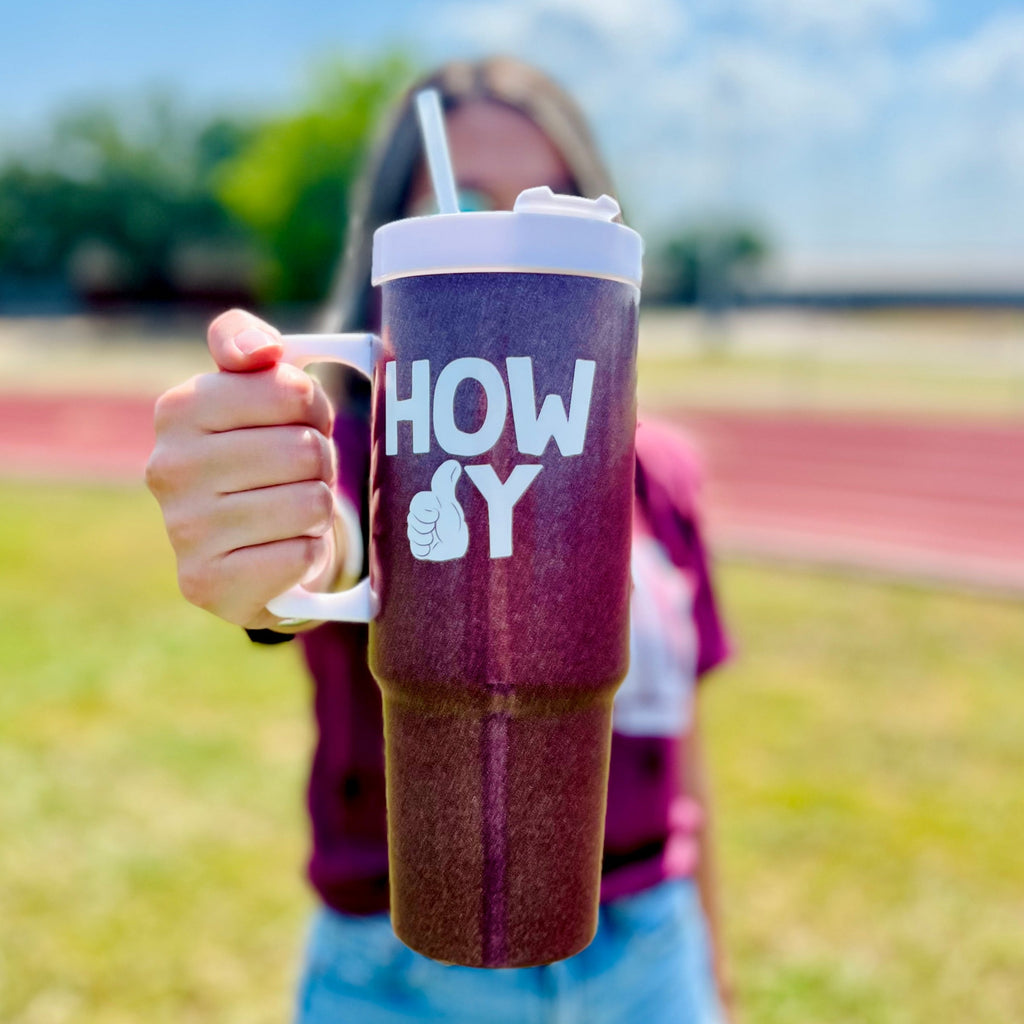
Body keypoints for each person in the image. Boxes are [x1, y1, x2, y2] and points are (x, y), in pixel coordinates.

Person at [146, 57, 734, 1023]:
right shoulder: (365, 445)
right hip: (396, 974)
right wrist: (269, 538)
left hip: (653, 957)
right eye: (464, 202)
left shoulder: (657, 476)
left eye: (533, 206)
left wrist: (717, 978)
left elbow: (687, 759)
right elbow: (334, 529)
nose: (500, 236)